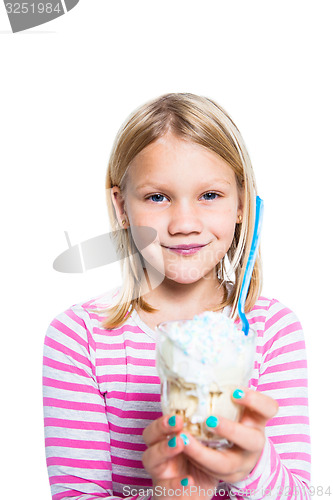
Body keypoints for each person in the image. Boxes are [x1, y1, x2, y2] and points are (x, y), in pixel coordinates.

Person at [43, 93, 311, 500]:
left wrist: (249, 469)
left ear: (241, 202)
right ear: (122, 207)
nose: (184, 224)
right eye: (157, 197)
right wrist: (174, 495)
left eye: (210, 195)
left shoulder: (272, 332)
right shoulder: (81, 338)